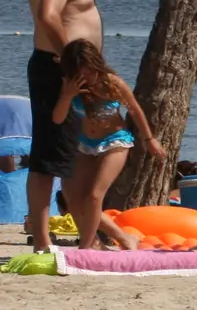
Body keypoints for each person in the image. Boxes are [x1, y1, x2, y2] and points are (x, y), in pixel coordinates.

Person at [25, 0, 108, 254]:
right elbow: (47, 13)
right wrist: (73, 62)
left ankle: (90, 235)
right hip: (58, 70)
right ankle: (42, 243)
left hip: (69, 70)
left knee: (69, 154)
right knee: (48, 157)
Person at [52, 40, 162, 250]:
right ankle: (103, 242)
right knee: (73, 198)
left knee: (94, 196)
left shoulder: (112, 83)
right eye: (80, 74)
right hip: (85, 143)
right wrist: (67, 95)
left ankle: (85, 247)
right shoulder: (71, 86)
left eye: (89, 73)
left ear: (96, 65)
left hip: (115, 141)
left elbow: (135, 110)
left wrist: (149, 139)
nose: (86, 79)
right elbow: (57, 118)